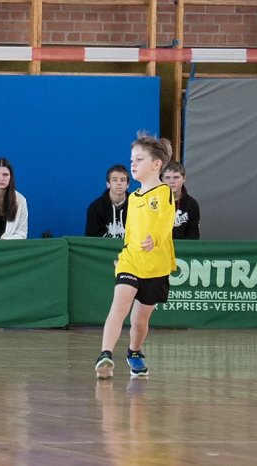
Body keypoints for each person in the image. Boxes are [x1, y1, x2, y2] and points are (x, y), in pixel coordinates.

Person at [95, 132, 175, 380]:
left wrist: (155, 239)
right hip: (131, 261)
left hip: (156, 267)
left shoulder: (163, 192)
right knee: (119, 306)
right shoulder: (134, 197)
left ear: (156, 164)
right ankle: (105, 354)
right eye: (132, 159)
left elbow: (165, 221)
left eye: (139, 159)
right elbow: (131, 231)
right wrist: (124, 254)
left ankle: (134, 351)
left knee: (140, 321)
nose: (133, 164)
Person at [85, 165, 130, 238]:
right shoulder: (95, 208)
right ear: (108, 184)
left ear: (128, 184)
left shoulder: (137, 205)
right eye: (115, 180)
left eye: (123, 180)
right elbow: (91, 240)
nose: (119, 183)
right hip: (103, 246)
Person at [161, 161, 200, 239]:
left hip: (183, 246)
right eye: (167, 178)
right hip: (160, 246)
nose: (172, 181)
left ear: (184, 178)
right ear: (162, 180)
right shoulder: (154, 202)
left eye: (176, 177)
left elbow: (194, 235)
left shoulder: (192, 204)